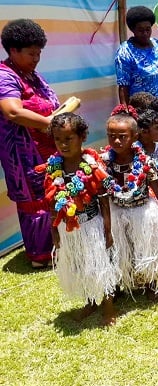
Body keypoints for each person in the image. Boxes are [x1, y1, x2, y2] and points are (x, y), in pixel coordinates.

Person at [42, 113, 118, 326]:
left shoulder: (92, 166)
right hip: (69, 229)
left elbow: (104, 202)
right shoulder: (53, 168)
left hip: (92, 225)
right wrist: (54, 231)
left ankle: (109, 307)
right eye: (58, 139)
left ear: (82, 136)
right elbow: (52, 203)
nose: (63, 144)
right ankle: (90, 300)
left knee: (100, 265)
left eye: (68, 139)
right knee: (79, 265)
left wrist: (108, 230)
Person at [0, 19, 59, 267]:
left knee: (51, 194)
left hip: (46, 148)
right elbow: (12, 112)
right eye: (31, 53)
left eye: (39, 53)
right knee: (34, 200)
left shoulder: (30, 75)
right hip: (23, 152)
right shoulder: (5, 76)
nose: (36, 58)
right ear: (13, 51)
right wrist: (49, 123)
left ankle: (55, 245)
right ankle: (40, 255)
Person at [101, 106, 158, 307]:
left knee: (146, 247)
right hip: (117, 211)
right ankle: (124, 281)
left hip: (142, 210)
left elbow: (157, 190)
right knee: (121, 249)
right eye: (111, 136)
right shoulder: (104, 163)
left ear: (134, 137)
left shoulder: (144, 161)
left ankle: (152, 282)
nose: (116, 141)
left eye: (122, 136)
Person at [115, 5, 158, 105]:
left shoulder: (156, 44)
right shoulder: (125, 52)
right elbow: (123, 86)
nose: (145, 33)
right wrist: (126, 112)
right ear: (133, 30)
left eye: (148, 29)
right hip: (144, 112)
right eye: (141, 30)